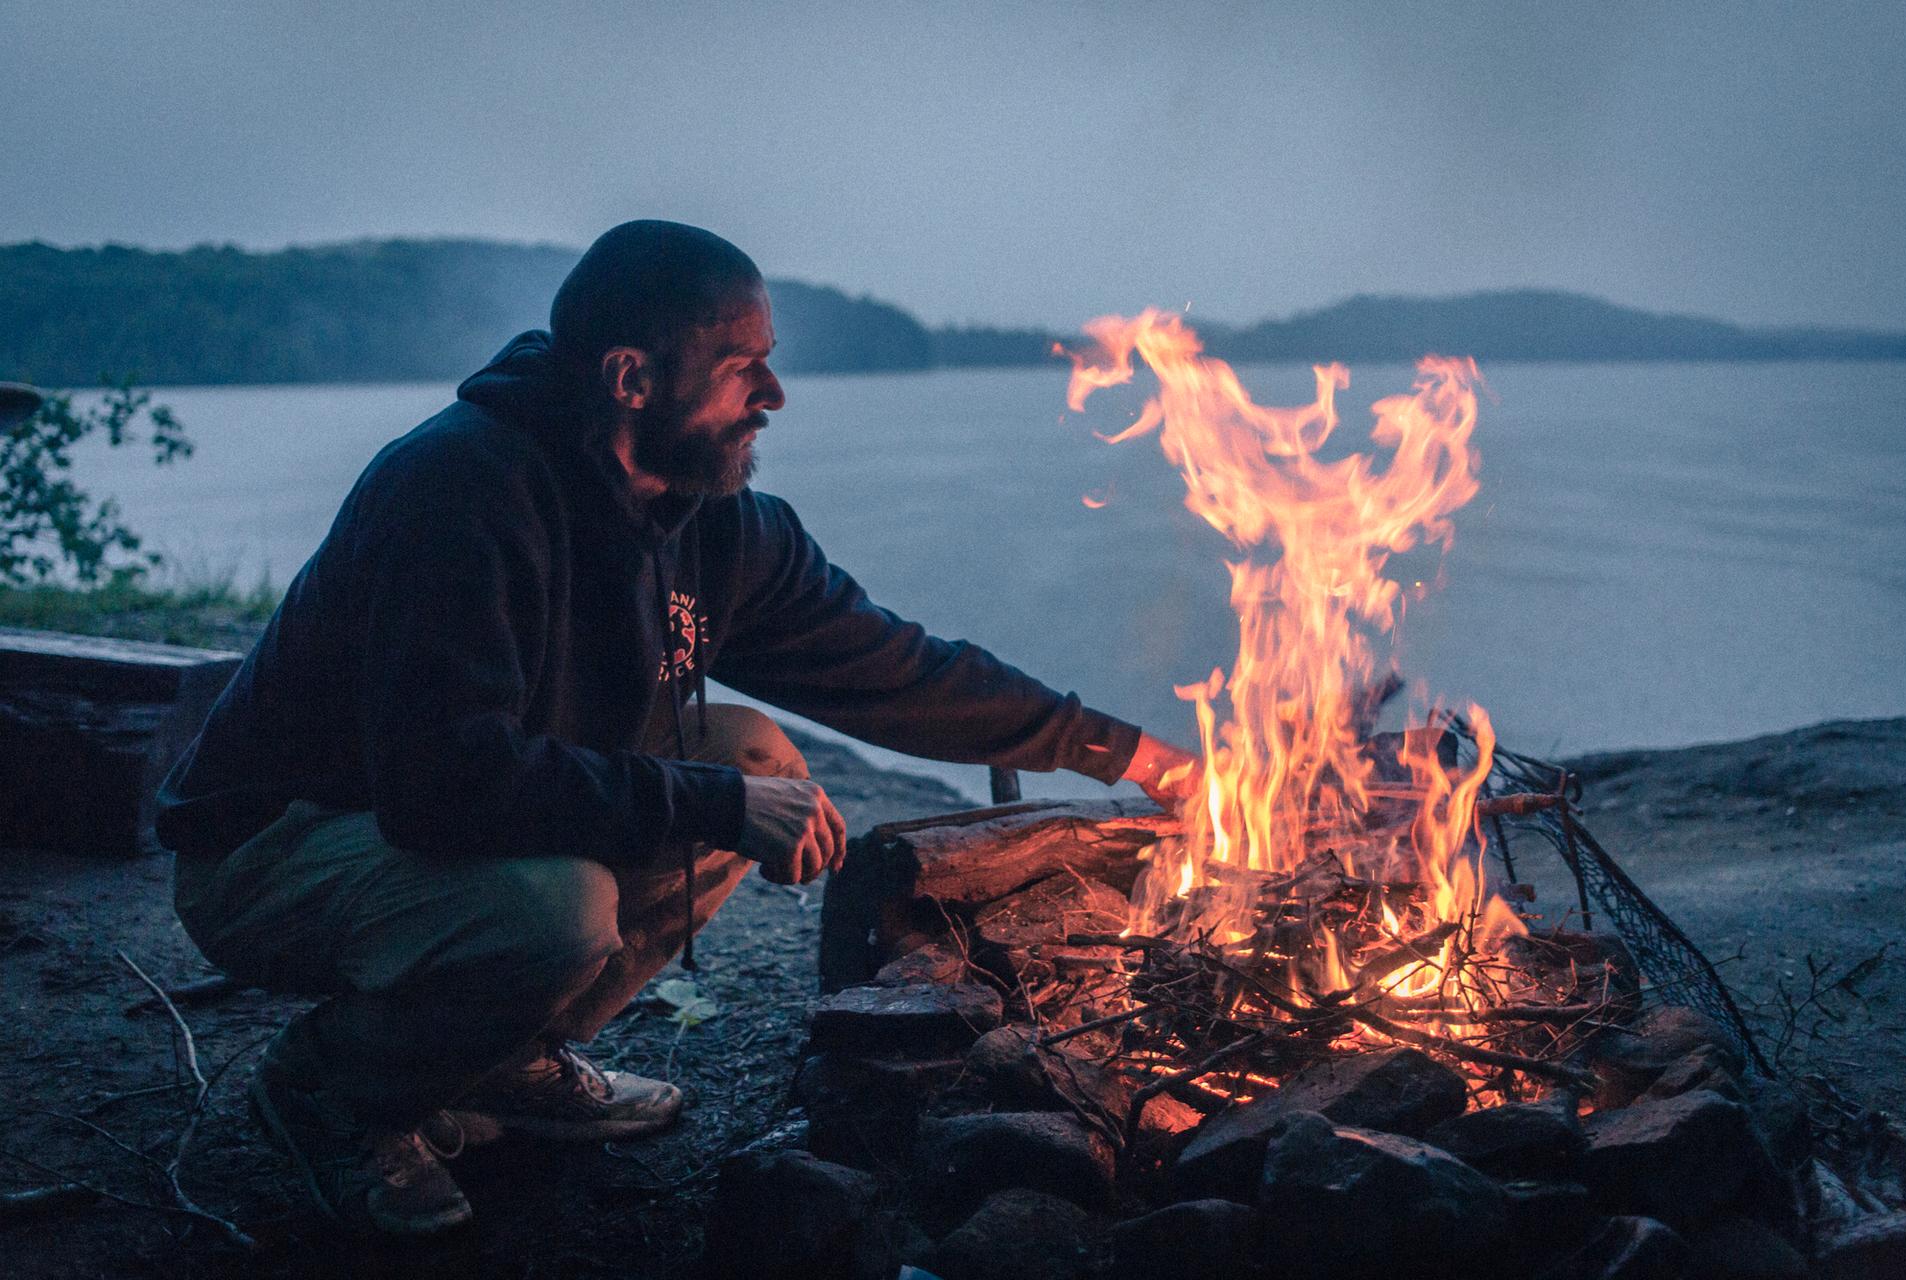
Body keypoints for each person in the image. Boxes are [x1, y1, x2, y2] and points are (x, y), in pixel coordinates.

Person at [155, 221, 1196, 1236]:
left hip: (427, 822)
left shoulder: (717, 525)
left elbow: (895, 667)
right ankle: (333, 1093)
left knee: (757, 757)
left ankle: (512, 1055)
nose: (774, 396)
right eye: (744, 367)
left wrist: (1131, 754)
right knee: (563, 906)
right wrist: (715, 804)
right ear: (630, 377)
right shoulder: (459, 492)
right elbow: (444, 781)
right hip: (276, 846)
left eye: (771, 362)